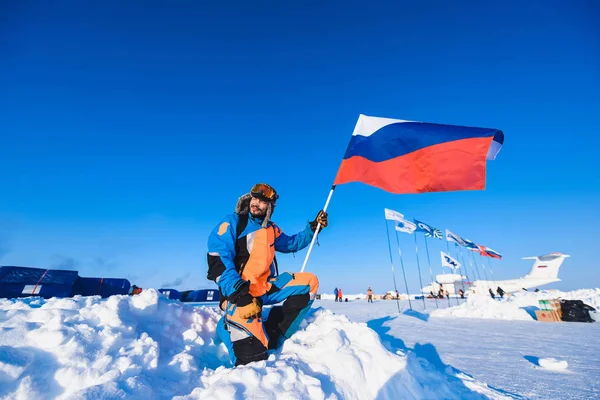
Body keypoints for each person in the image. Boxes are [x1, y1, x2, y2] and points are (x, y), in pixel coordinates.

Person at [207, 183, 328, 366]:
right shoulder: (233, 222)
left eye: (263, 202)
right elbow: (218, 258)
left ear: (270, 207)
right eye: (255, 199)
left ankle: (275, 331)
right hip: (241, 295)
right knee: (253, 359)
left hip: (266, 287)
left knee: (309, 283)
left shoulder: (271, 229)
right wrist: (239, 293)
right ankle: (226, 326)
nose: (256, 203)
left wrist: (313, 228)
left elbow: (290, 244)